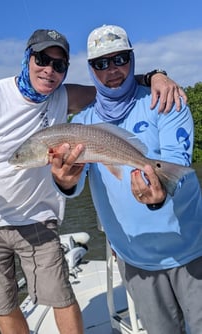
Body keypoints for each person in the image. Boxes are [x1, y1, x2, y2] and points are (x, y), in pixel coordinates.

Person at [0, 28, 186, 334]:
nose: (49, 70)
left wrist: (156, 76)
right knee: (3, 304)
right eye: (42, 59)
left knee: (61, 297)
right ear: (27, 59)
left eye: (59, 65)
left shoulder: (65, 95)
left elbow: (113, 84)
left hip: (38, 217)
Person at [51, 24, 202, 334]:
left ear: (133, 59)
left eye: (120, 59)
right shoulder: (82, 123)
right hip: (135, 260)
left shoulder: (165, 98)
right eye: (101, 63)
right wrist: (65, 180)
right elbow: (75, 185)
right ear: (91, 70)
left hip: (193, 250)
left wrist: (159, 197)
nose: (112, 70)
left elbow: (178, 165)